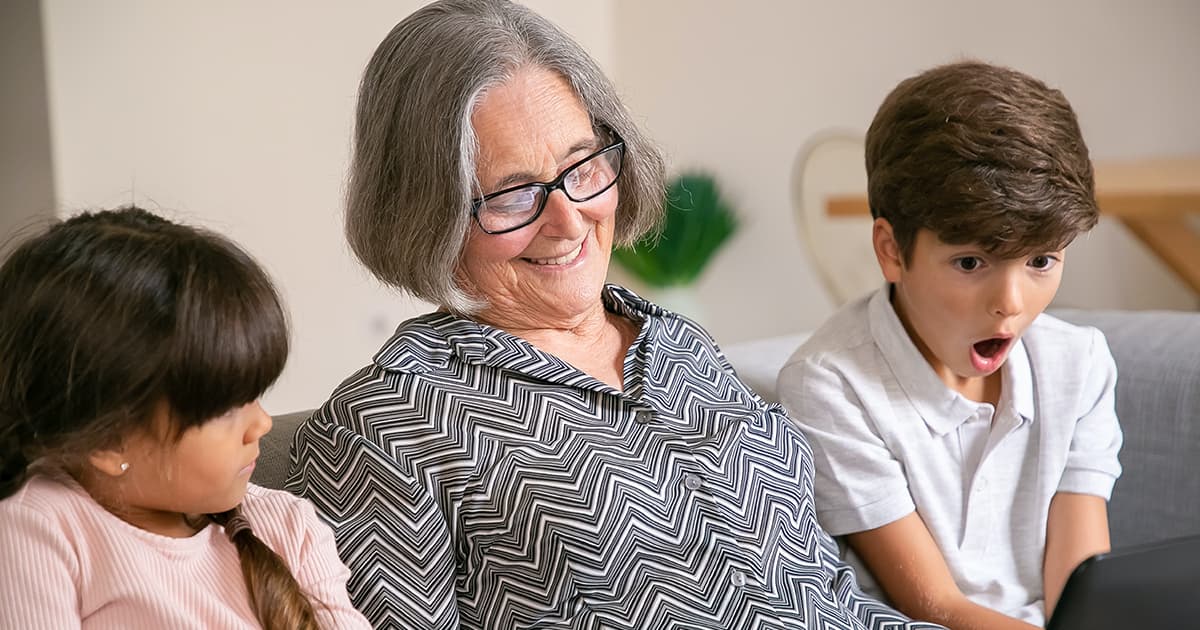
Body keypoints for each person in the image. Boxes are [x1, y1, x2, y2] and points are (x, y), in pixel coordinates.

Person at [284, 1, 945, 629]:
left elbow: (830, 598)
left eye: (582, 167)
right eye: (515, 195)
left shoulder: (679, 344)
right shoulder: (388, 424)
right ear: (426, 211)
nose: (570, 220)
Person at [777, 61, 1123, 629]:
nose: (1010, 303)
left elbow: (1082, 591)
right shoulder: (831, 386)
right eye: (970, 262)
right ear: (891, 250)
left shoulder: (1078, 366)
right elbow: (935, 604)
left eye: (1041, 261)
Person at [0, 208, 371, 630]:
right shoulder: (38, 529)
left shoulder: (288, 525)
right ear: (108, 441)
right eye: (227, 408)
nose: (262, 424)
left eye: (256, 395)